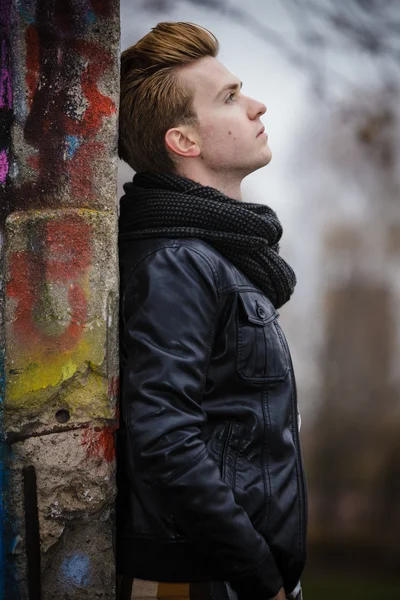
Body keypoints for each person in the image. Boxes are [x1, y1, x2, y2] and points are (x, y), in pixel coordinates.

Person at [117, 21, 307, 600]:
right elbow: (164, 440)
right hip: (202, 580)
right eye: (229, 98)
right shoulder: (177, 261)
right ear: (185, 142)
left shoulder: (217, 256)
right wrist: (259, 578)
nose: (256, 105)